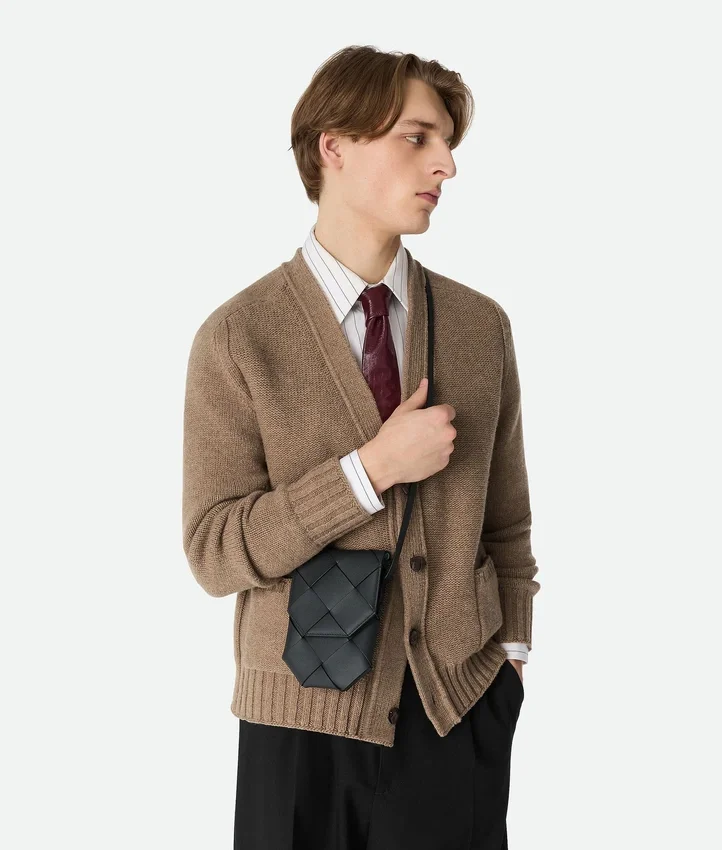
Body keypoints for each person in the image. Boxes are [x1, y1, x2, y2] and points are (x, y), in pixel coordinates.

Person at [182, 44, 541, 850]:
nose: (446, 164)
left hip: (456, 708)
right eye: (417, 137)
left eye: (447, 142)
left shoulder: (479, 328)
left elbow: (508, 525)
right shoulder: (239, 338)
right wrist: (369, 471)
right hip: (296, 726)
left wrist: (511, 660)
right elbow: (213, 551)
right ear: (334, 147)